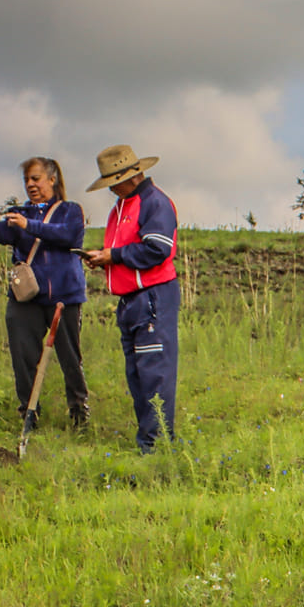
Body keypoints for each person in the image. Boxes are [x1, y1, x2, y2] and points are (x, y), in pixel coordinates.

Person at [82, 145, 179, 452]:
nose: (110, 188)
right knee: (137, 374)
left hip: (152, 297)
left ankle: (156, 446)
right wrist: (104, 257)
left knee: (154, 373)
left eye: (113, 180)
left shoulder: (155, 203)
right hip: (130, 301)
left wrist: (113, 256)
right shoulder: (120, 209)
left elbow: (157, 249)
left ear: (130, 176)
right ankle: (149, 441)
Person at [0, 157, 89, 430]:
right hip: (25, 297)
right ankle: (29, 413)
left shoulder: (71, 211)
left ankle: (79, 411)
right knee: (23, 356)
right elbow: (6, 229)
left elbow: (68, 236)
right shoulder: (19, 212)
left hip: (64, 296)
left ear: (52, 180)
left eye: (36, 178)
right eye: (27, 180)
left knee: (70, 358)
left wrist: (29, 227)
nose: (30, 185)